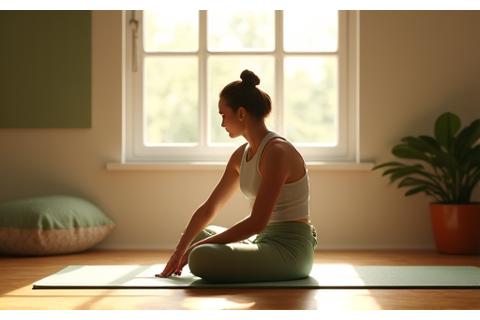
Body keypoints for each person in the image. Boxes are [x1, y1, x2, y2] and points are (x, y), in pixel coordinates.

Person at [156, 69, 317, 283]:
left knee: (200, 255)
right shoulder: (240, 155)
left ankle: (201, 252)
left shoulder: (277, 152)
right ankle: (196, 249)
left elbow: (257, 222)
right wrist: (180, 251)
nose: (222, 124)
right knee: (198, 236)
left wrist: (196, 249)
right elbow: (209, 208)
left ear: (241, 113)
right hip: (262, 241)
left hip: (289, 250)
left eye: (223, 115)